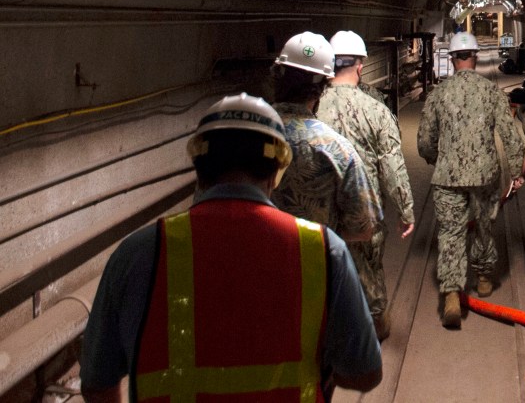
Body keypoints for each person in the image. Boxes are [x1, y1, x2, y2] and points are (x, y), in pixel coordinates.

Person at [80, 93, 382, 402]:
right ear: (276, 169)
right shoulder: (322, 250)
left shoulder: (137, 253)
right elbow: (364, 373)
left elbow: (96, 382)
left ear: (199, 167)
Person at [417, 31, 525, 328]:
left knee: (451, 234)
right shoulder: (490, 92)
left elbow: (425, 140)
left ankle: (452, 292)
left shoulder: (438, 94)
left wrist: (435, 159)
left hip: (447, 177)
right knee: (484, 227)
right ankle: (483, 278)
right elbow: (510, 136)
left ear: (452, 59)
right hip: (485, 175)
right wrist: (516, 173)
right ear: (475, 58)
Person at [317, 30, 416, 341]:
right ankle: (375, 327)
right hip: (364, 212)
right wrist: (406, 210)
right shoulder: (376, 110)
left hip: (317, 215)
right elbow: (392, 167)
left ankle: (326, 331)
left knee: (321, 272)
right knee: (369, 270)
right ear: (360, 66)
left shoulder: (311, 107)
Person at [270, 31, 379, 244]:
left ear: (278, 75)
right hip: (312, 268)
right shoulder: (336, 149)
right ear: (322, 87)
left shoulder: (243, 136)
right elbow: (363, 228)